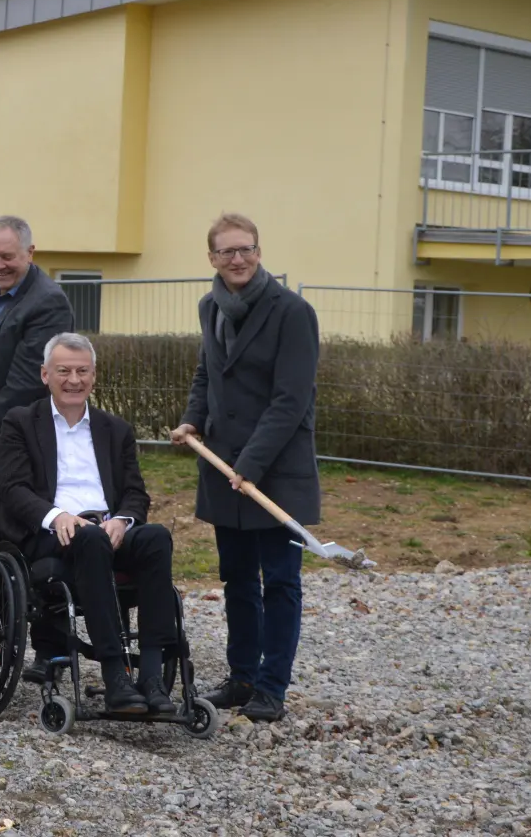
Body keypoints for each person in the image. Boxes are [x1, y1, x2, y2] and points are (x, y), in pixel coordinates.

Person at [171, 212, 320, 723]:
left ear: (259, 252)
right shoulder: (210, 306)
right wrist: (193, 421)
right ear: (211, 257)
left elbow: (291, 400)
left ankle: (272, 686)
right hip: (223, 468)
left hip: (274, 470)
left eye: (246, 249)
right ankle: (241, 677)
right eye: (226, 251)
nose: (238, 259)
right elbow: (205, 374)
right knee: (237, 578)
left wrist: (251, 464)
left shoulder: (291, 312)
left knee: (280, 580)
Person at [0, 332, 178, 714]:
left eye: (82, 371)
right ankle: (115, 675)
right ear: (45, 374)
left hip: (106, 530)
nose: (73, 380)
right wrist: (56, 515)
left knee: (157, 537)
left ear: (94, 376)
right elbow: (14, 489)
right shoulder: (20, 422)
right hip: (51, 534)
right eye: (64, 371)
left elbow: (135, 492)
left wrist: (124, 521)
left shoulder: (115, 429)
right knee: (90, 539)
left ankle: (150, 675)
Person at [0, 215, 74, 570]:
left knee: (16, 532)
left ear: (30, 253)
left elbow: (25, 385)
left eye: (8, 257)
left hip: (23, 438)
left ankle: (26, 616)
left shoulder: (48, 303)